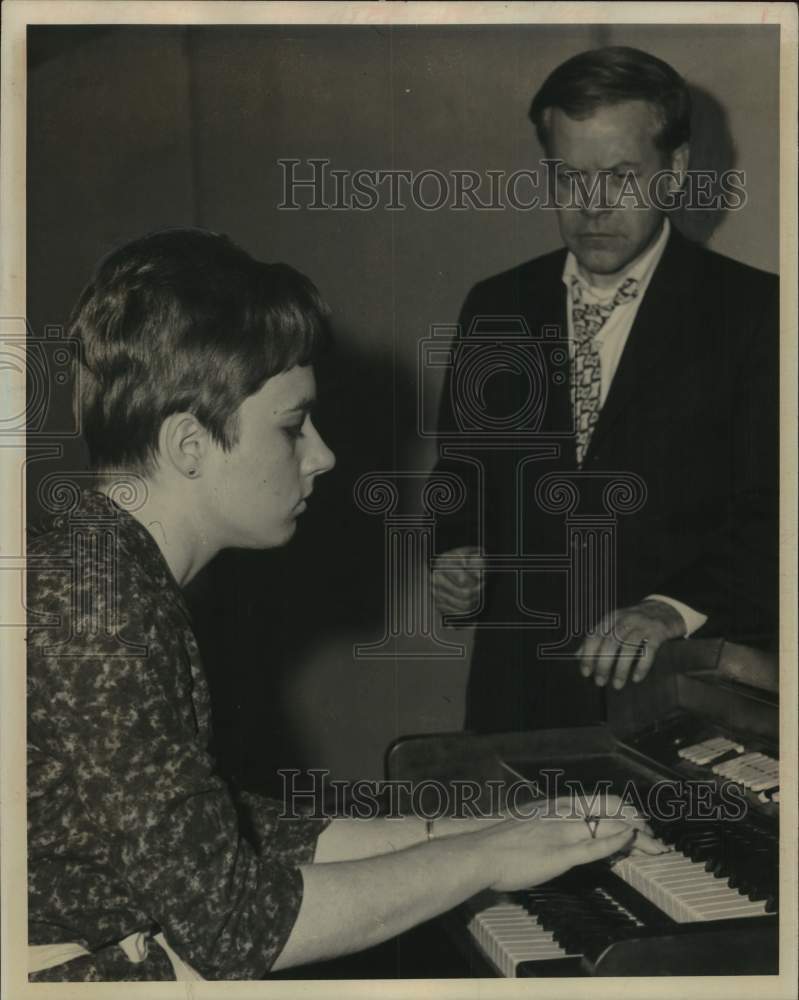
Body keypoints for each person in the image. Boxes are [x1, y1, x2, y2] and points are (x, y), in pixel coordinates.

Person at [26, 228, 662, 982]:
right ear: (189, 444)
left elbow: (209, 836)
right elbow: (236, 926)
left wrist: (464, 827)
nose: (322, 455)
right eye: (293, 427)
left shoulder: (100, 567)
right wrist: (489, 855)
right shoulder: (95, 613)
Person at [431, 46, 778, 732]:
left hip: (681, 694)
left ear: (673, 171)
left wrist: (667, 609)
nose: (591, 206)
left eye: (620, 176)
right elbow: (461, 474)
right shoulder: (495, 305)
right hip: (517, 700)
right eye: (569, 177)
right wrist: (456, 552)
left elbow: (777, 515)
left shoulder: (757, 314)